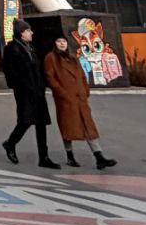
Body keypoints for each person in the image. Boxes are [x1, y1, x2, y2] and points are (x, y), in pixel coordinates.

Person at [44, 34, 118, 170]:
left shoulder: (73, 58)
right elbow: (50, 77)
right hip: (66, 99)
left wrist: (85, 91)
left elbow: (82, 75)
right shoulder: (51, 58)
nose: (62, 44)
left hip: (80, 98)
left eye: (64, 41)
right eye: (59, 41)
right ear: (55, 43)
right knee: (68, 127)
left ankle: (99, 156)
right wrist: (62, 93)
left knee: (88, 126)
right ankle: (70, 156)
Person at [0, 20, 58, 169]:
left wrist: (42, 85)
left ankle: (43, 157)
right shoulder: (11, 49)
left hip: (38, 91)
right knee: (25, 120)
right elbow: (9, 71)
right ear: (21, 32)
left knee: (41, 123)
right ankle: (10, 143)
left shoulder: (31, 47)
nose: (32, 33)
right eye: (28, 30)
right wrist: (21, 87)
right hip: (24, 92)